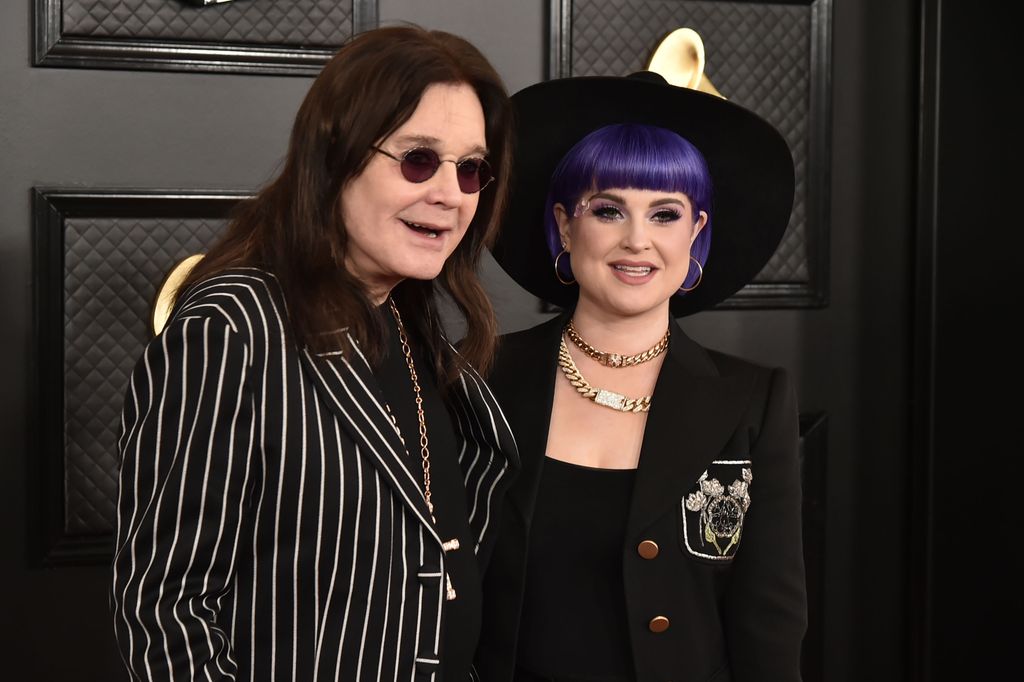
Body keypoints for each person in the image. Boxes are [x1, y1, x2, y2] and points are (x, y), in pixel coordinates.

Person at [111, 26, 519, 681]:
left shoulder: (417, 334)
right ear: (336, 157)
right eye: (418, 159)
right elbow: (166, 614)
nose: (451, 192)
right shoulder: (232, 330)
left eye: (471, 168)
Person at [476, 72, 807, 681]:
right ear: (565, 224)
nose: (637, 241)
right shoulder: (479, 375)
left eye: (664, 214)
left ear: (695, 233)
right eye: (608, 210)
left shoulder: (752, 400)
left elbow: (770, 619)